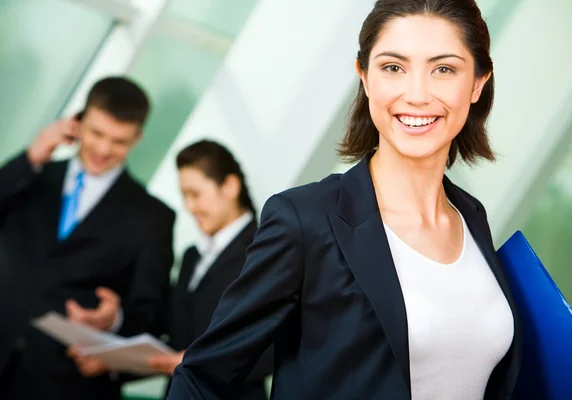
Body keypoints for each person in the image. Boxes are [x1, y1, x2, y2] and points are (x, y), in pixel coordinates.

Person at [166, 0, 522, 399]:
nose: (417, 94)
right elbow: (200, 377)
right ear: (365, 77)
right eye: (393, 67)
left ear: (477, 83)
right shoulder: (305, 220)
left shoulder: (471, 216)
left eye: (443, 69)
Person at [0, 77, 175, 400]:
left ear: (137, 137)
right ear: (77, 124)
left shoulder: (153, 217)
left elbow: (150, 310)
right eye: (97, 133)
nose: (104, 150)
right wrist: (32, 157)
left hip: (65, 386)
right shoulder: (31, 177)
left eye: (119, 141)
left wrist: (114, 321)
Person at [147, 140, 273, 399]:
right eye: (184, 196)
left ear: (230, 186)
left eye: (195, 194)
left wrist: (202, 362)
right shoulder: (191, 257)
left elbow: (275, 344)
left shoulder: (267, 252)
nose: (189, 207)